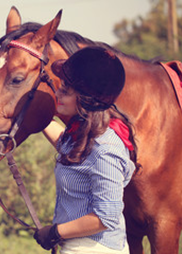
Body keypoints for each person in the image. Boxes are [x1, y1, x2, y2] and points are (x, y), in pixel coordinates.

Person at [33, 46, 140, 253]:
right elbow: (65, 144)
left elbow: (105, 217)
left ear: (86, 98)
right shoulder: (84, 135)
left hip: (94, 247)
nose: (58, 93)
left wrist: (55, 232)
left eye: (66, 89)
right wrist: (38, 117)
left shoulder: (105, 149)